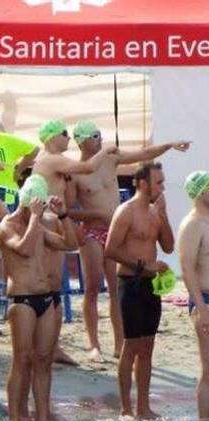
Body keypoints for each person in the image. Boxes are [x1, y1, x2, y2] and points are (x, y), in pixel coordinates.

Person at [70, 121, 190, 361]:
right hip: (93, 232)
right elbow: (70, 210)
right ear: (82, 140)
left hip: (116, 230)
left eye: (100, 135)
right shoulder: (76, 171)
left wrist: (168, 145)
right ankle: (94, 345)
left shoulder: (110, 160)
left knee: (116, 289)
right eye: (95, 136)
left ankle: (118, 341)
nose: (100, 139)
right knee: (93, 288)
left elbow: (144, 155)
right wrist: (95, 216)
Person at [0, 175, 77, 421]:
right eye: (33, 207)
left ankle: (42, 417)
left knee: (43, 359)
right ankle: (15, 418)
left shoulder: (41, 225)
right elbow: (24, 249)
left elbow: (71, 244)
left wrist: (63, 216)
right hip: (22, 299)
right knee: (21, 358)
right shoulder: (7, 225)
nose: (37, 211)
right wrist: (33, 218)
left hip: (46, 298)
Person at [105, 162, 174, 421]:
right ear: (143, 183)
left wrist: (165, 216)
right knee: (131, 346)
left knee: (148, 347)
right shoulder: (126, 211)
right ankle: (125, 408)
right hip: (131, 283)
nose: (163, 187)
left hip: (150, 286)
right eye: (159, 182)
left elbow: (168, 246)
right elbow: (110, 250)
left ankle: (143, 407)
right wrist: (144, 266)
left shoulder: (156, 212)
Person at [179, 171, 209, 419]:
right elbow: (187, 269)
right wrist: (201, 308)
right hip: (206, 300)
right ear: (201, 192)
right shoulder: (192, 224)